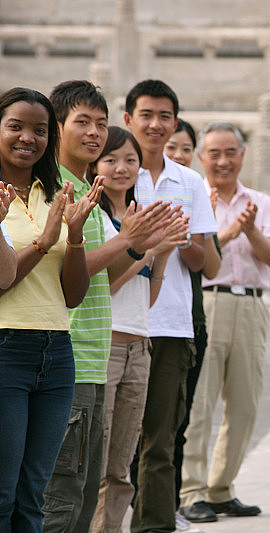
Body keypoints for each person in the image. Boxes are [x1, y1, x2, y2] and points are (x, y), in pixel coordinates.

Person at [43, 79, 171, 533]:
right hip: (71, 356)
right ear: (57, 128)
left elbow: (103, 275)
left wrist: (140, 245)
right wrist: (127, 241)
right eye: (83, 122)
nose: (95, 132)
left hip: (95, 358)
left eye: (101, 123)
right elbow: (62, 272)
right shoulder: (53, 189)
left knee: (84, 492)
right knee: (61, 497)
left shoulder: (89, 193)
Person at [0, 86, 97, 533]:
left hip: (57, 351)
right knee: (3, 493)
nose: (28, 138)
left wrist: (73, 237)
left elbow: (72, 295)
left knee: (34, 494)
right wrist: (44, 241)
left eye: (40, 130)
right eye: (15, 127)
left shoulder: (55, 193)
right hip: (6, 347)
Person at [179, 122, 270, 522]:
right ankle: (190, 490)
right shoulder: (193, 198)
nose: (223, 161)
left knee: (244, 403)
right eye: (214, 153)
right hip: (207, 302)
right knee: (199, 402)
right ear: (201, 157)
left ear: (242, 155)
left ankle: (221, 488)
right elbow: (193, 256)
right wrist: (228, 230)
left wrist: (251, 229)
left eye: (230, 152)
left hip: (251, 306)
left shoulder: (260, 202)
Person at [124, 79, 217, 533]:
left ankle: (155, 523)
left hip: (173, 324)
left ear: (175, 122)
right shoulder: (118, 175)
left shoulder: (190, 181)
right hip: (123, 321)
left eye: (165, 116)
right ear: (128, 120)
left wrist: (178, 241)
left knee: (161, 439)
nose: (155, 125)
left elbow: (206, 263)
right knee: (115, 438)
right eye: (146, 115)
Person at [88, 126, 188, 533]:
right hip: (106, 346)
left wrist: (162, 255)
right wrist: (146, 249)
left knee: (121, 467)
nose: (121, 168)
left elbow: (145, 299)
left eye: (130, 160)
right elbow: (105, 286)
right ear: (95, 166)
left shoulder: (139, 216)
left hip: (139, 346)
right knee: (95, 462)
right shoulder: (93, 218)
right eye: (110, 159)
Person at [165, 119, 221, 533]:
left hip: (188, 316)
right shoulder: (135, 184)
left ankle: (170, 505)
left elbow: (210, 265)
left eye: (186, 148)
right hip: (142, 321)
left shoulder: (193, 189)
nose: (179, 156)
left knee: (177, 420)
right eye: (172, 148)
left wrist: (193, 232)